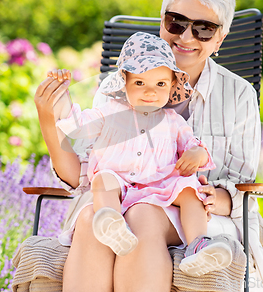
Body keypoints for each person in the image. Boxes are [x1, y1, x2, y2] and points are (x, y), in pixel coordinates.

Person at [34, 0, 263, 292]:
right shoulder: (114, 90)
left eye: (204, 29)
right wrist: (50, 120)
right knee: (92, 220)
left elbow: (244, 190)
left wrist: (206, 195)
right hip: (119, 200)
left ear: (220, 39)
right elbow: (84, 176)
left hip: (199, 214)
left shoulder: (238, 95)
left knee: (143, 215)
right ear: (162, 22)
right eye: (176, 22)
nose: (186, 37)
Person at [53, 32, 233, 277]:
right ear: (124, 82)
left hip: (159, 188)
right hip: (120, 184)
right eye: (140, 83)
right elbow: (77, 124)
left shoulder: (173, 121)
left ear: (171, 86)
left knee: (191, 190)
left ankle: (198, 245)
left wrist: (197, 154)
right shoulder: (109, 112)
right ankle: (112, 223)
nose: (150, 92)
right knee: (103, 179)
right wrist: (62, 96)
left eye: (160, 84)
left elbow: (193, 145)